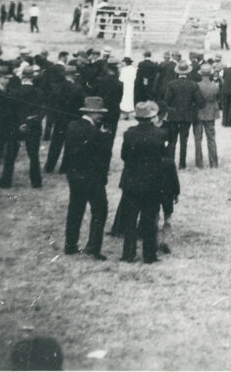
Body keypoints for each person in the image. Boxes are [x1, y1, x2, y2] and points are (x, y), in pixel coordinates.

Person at [63, 97, 114, 260]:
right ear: (91, 113)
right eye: (99, 113)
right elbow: (105, 154)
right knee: (100, 211)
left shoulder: (72, 126)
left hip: (75, 176)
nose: (101, 116)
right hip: (93, 178)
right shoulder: (95, 133)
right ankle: (93, 247)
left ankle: (70, 245)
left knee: (75, 210)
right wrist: (105, 137)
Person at [118, 101, 165, 263]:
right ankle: (149, 255)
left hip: (131, 181)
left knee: (130, 219)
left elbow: (124, 156)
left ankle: (128, 253)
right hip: (152, 183)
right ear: (152, 117)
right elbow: (163, 157)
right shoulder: (160, 134)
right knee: (149, 219)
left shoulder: (129, 133)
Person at [163, 61, 204, 169]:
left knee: (172, 141)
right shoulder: (193, 85)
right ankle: (182, 164)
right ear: (188, 72)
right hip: (187, 116)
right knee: (183, 141)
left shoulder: (171, 84)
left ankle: (170, 163)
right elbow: (200, 102)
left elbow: (166, 101)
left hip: (173, 115)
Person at [193, 64, 220, 169]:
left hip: (199, 114)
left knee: (198, 139)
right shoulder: (215, 85)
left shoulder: (197, 85)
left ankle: (199, 163)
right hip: (211, 114)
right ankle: (214, 163)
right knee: (211, 139)